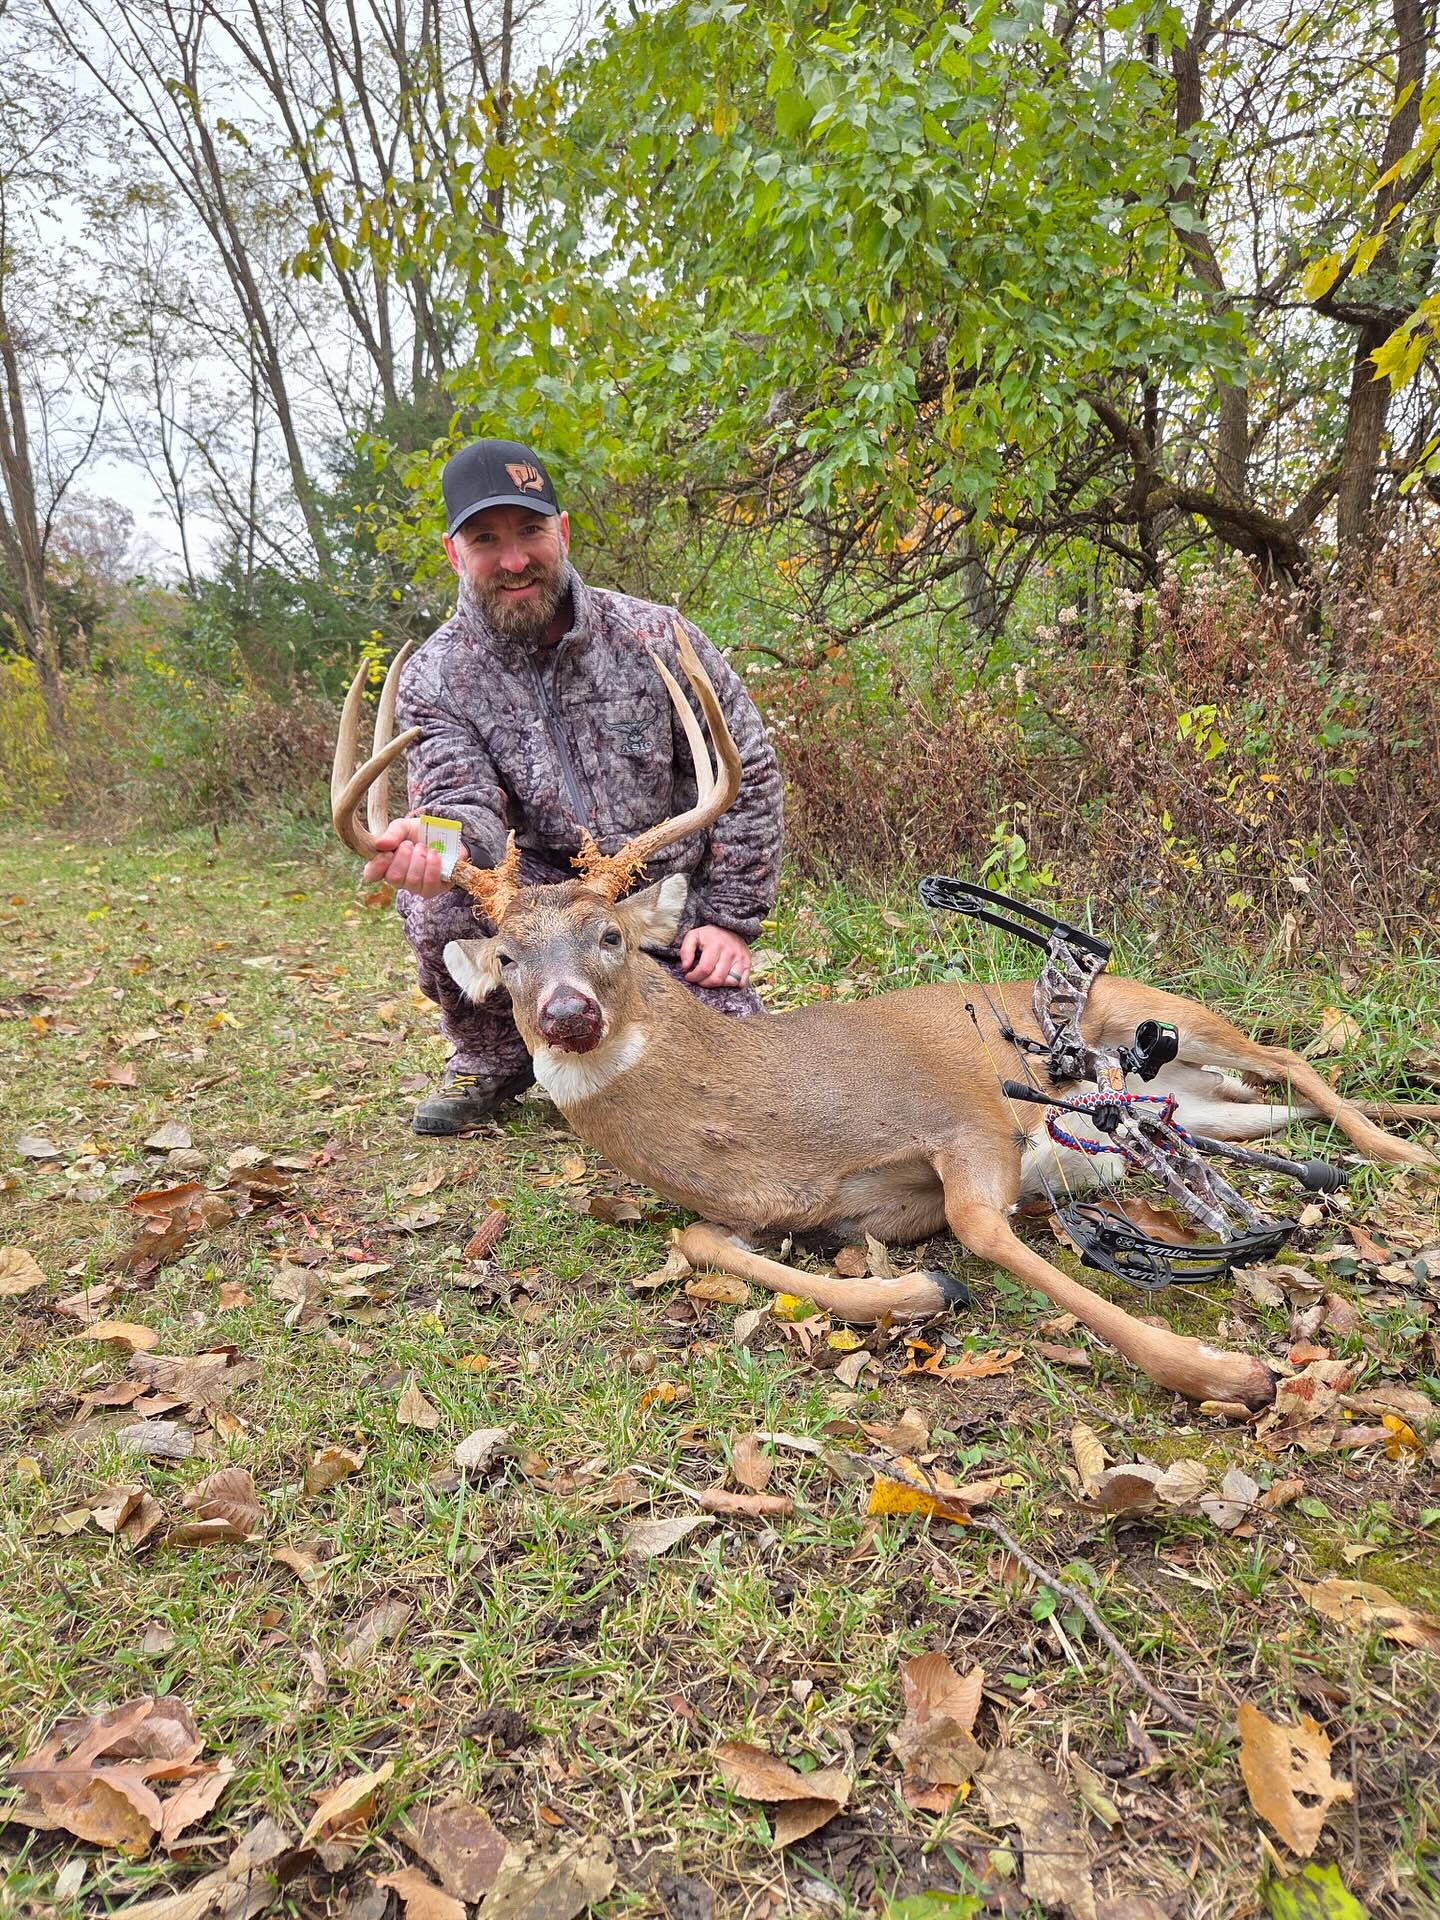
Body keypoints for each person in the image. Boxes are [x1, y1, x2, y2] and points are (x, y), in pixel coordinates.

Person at [362, 437, 785, 1133]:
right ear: (453, 553)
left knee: (746, 1073)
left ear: (561, 530)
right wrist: (431, 844)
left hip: (655, 911)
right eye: (486, 540)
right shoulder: (437, 675)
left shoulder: (653, 636)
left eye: (530, 531)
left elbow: (748, 776)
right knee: (436, 912)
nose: (515, 559)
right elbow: (458, 804)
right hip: (533, 924)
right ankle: (492, 1054)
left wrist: (727, 920)